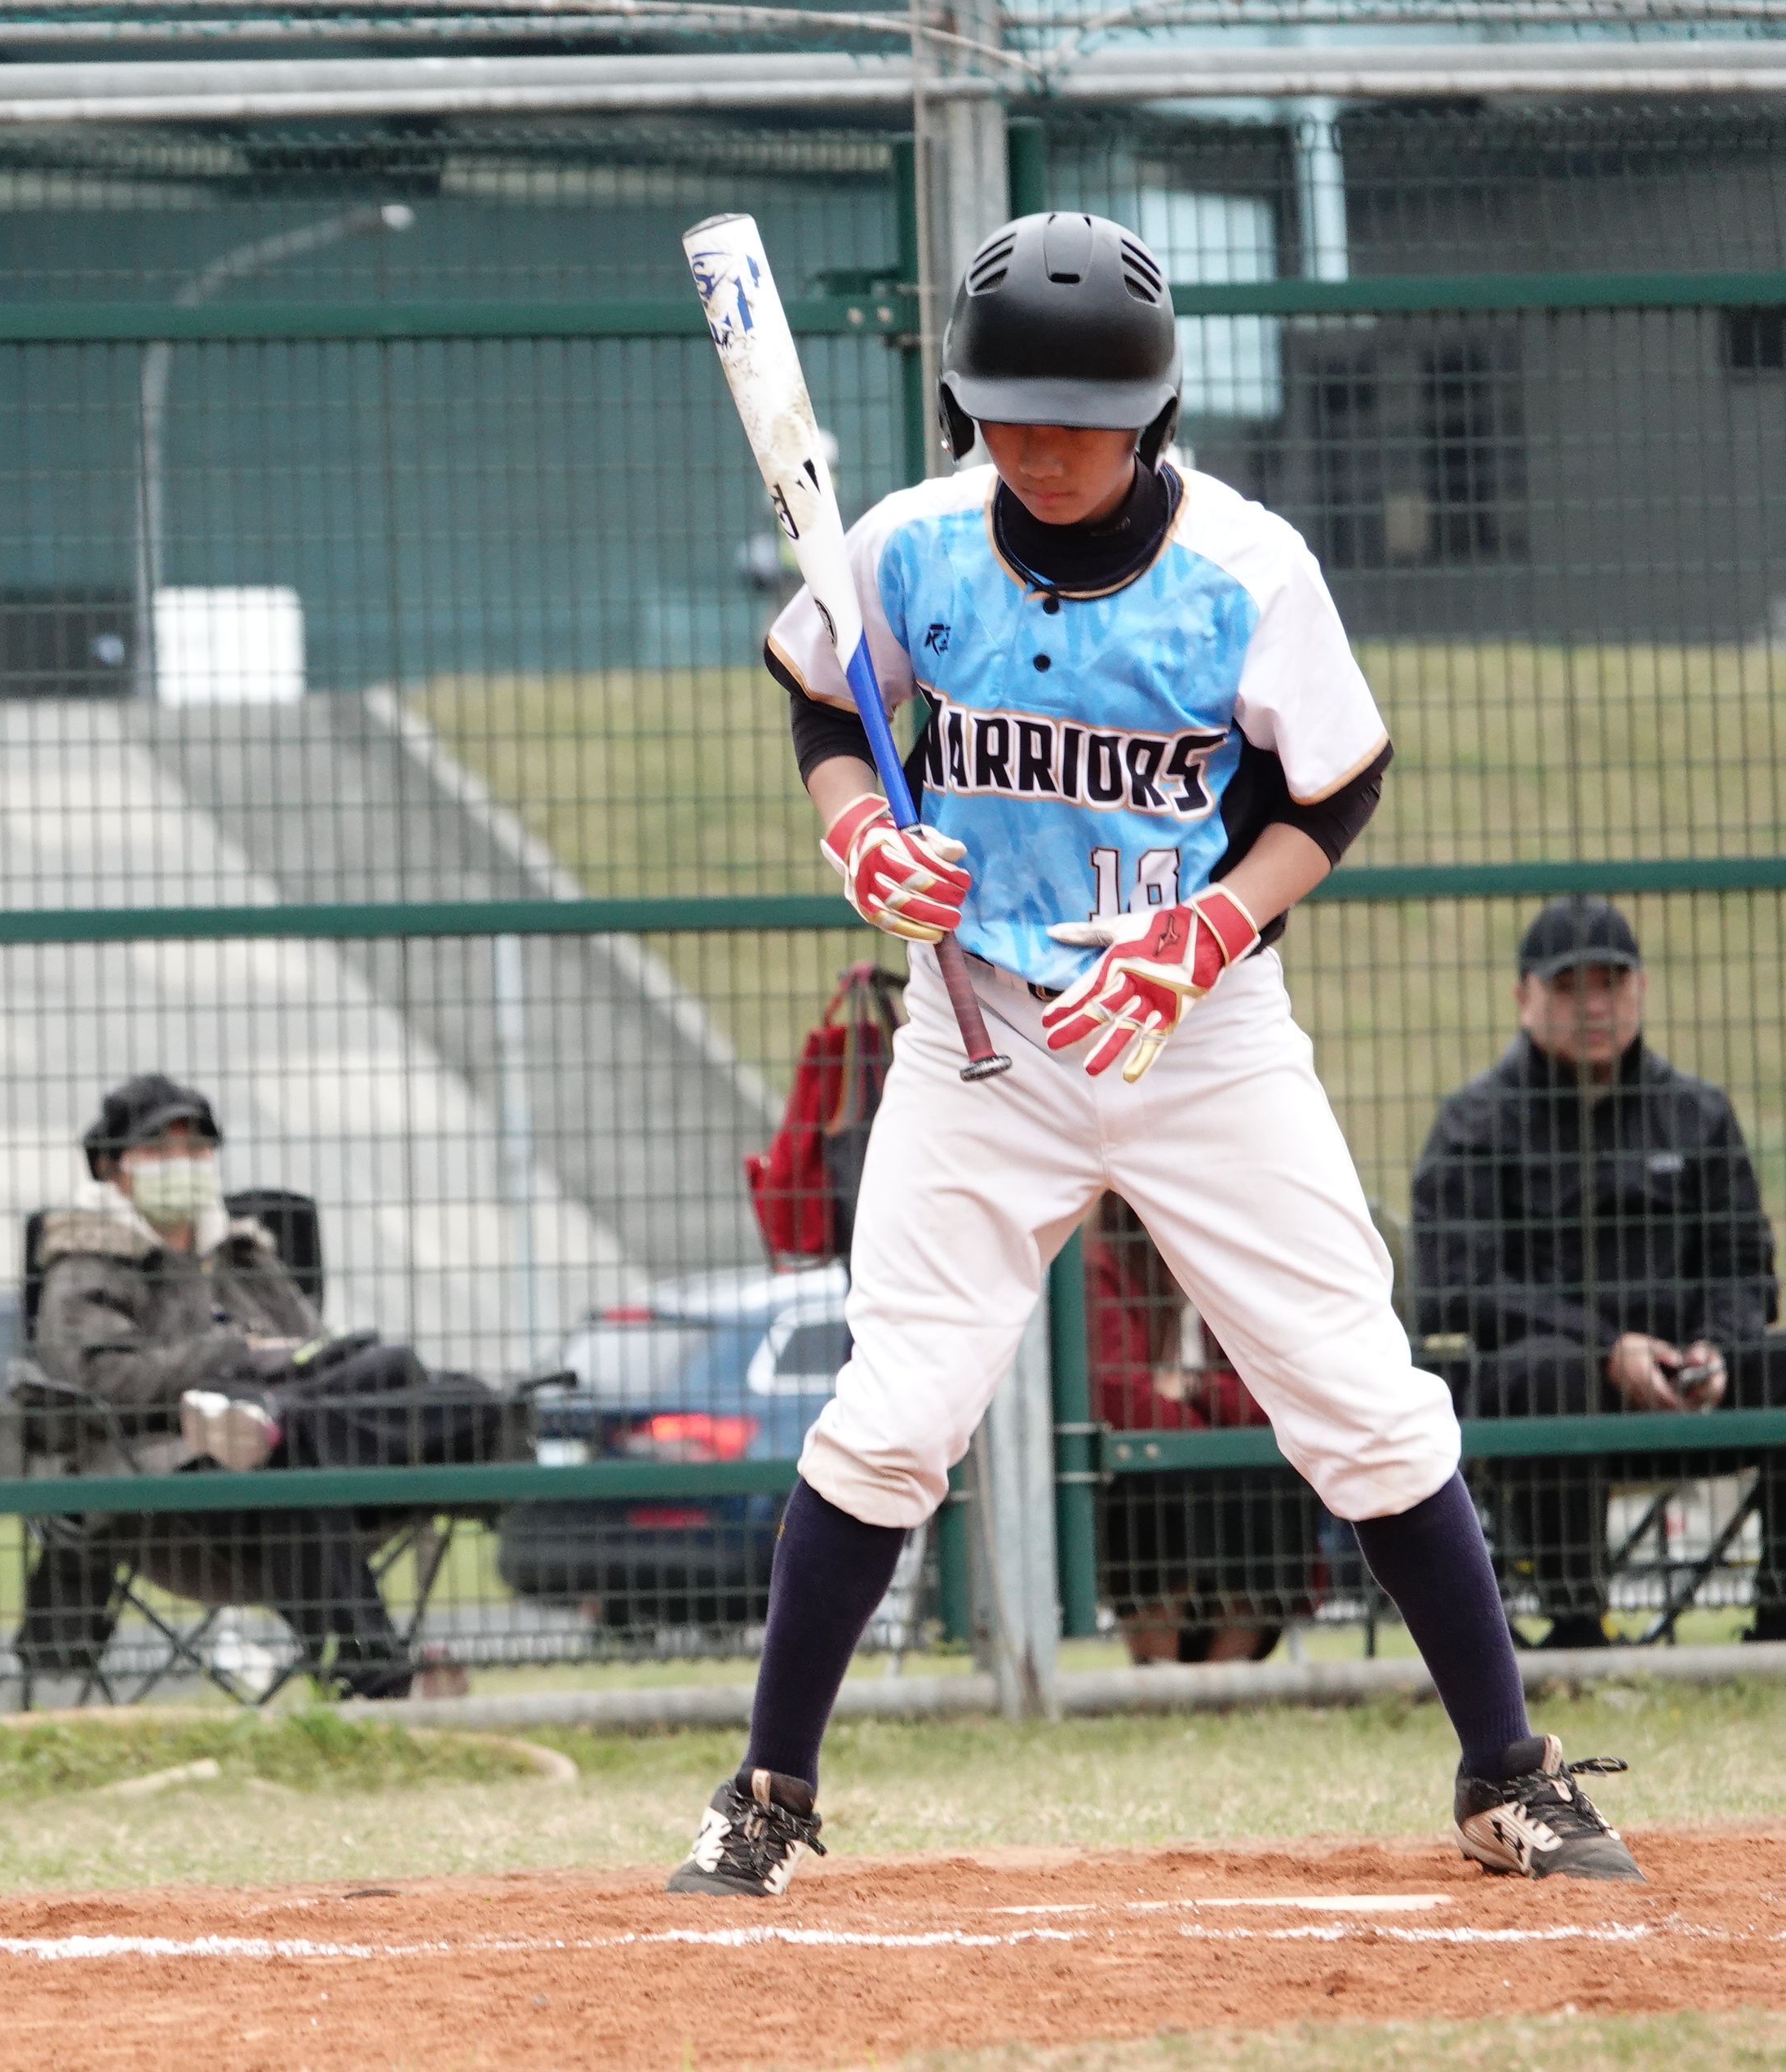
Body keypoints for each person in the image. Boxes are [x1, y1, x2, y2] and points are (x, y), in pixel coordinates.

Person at [667, 211, 1638, 1901]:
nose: (1041, 449)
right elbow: (830, 702)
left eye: (1081, 422)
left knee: (1357, 1394)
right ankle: (767, 1792)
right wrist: (859, 837)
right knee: (893, 1411)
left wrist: (1210, 927)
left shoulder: (1245, 569)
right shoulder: (908, 543)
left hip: (1196, 1035)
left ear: (1153, 417)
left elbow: (1335, 785)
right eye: (1008, 416)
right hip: (980, 1028)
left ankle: (1506, 1774)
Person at [1411, 896, 1786, 1650]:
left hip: (1690, 1398)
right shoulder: (1471, 1125)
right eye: (1569, 988)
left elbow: (1744, 1262)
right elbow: (1456, 1289)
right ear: (1524, 999)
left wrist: (1716, 1349)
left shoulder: (1697, 1114)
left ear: (1641, 990)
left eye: (1611, 984)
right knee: (1548, 1373)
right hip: (1546, 1407)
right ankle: (1579, 1627)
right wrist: (1606, 1348)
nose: (1594, 1006)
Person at [21, 1074, 438, 1702]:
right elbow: (94, 1379)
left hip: (296, 1428)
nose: (182, 1164)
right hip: (167, 1476)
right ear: (111, 1167)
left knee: (392, 1369)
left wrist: (291, 1368)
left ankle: (488, 1431)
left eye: (196, 1149)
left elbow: (314, 1347)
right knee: (296, 1456)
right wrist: (230, 1358)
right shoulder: (87, 1264)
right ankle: (372, 1678)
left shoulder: (245, 1253)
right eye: (158, 1150)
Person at [1086, 1193, 1318, 1666]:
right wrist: (1211, 1424)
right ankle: (1160, 1674)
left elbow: (1282, 1394)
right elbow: (1119, 1398)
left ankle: (1225, 1675)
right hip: (1141, 1465)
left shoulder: (1249, 1269)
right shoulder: (1103, 1266)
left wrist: (1196, 1389)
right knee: (1159, 1481)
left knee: (1268, 1480)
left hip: (1236, 1456)